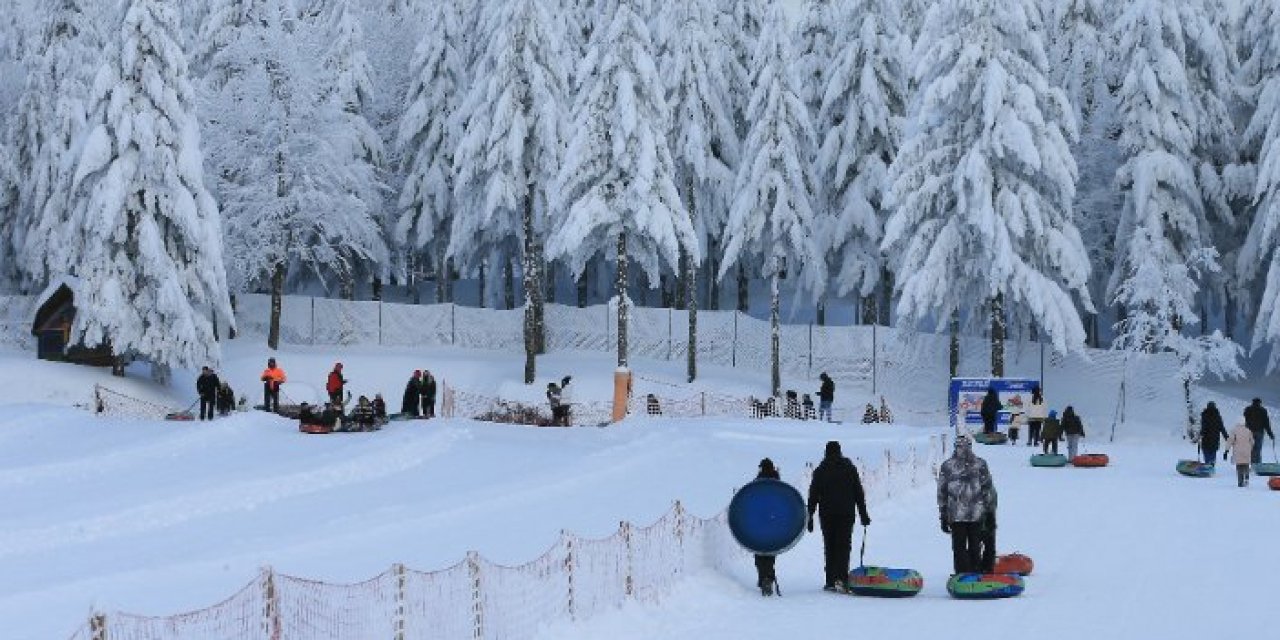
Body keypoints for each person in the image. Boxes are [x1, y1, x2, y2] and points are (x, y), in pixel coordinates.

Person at [807, 441, 871, 592]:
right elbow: (858, 493)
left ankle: (830, 581)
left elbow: (813, 495)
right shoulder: (849, 468)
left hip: (827, 515)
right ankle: (841, 579)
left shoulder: (820, 470)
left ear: (826, 453)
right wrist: (863, 514)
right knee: (843, 545)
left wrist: (809, 516)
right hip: (846, 514)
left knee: (829, 546)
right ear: (840, 452)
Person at [937, 434, 996, 574]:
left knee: (960, 546)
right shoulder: (980, 464)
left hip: (961, 514)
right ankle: (974, 571)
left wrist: (943, 513)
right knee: (973, 545)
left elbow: (941, 492)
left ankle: (963, 573)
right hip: (973, 513)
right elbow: (987, 488)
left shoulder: (948, 465)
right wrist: (989, 511)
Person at [754, 458, 782, 596]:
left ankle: (763, 578)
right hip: (773, 523)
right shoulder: (778, 484)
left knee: (759, 552)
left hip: (759, 524)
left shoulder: (756, 483)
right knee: (770, 553)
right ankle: (768, 578)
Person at [1244, 398, 1274, 464]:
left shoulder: (1248, 409)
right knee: (1258, 449)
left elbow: (1246, 418)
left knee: (1251, 449)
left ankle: (1252, 464)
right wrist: (1270, 434)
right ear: (1260, 403)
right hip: (1259, 432)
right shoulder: (1263, 410)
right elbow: (1266, 423)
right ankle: (1257, 464)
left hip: (1250, 432)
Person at [1228, 419, 1256, 488]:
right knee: (1246, 465)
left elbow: (1230, 441)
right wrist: (1250, 448)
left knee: (1239, 466)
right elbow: (1252, 441)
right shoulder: (1248, 430)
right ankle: (1246, 477)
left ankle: (1240, 482)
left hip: (1237, 451)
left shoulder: (1234, 430)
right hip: (1247, 450)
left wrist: (1226, 450)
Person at [979, 487, 998, 573]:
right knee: (976, 546)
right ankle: (979, 567)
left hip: (986, 519)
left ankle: (987, 568)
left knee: (989, 545)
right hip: (976, 521)